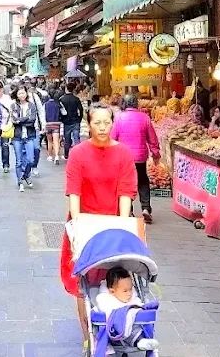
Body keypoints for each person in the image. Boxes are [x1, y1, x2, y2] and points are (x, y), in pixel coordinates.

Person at [61, 103, 138, 351]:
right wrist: (77, 225)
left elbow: (126, 191)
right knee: (82, 284)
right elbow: (74, 191)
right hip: (84, 222)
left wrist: (123, 224)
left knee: (113, 276)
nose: (102, 127)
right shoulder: (78, 153)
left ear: (113, 123)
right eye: (97, 123)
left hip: (112, 221)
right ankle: (89, 336)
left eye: (107, 122)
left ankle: (116, 329)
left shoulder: (124, 154)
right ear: (88, 124)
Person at [112, 94, 161, 223]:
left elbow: (112, 138)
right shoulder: (144, 117)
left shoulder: (119, 118)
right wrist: (156, 154)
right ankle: (145, 208)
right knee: (143, 181)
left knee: (125, 183)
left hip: (123, 157)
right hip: (140, 157)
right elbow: (152, 139)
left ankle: (129, 210)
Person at [10, 86, 41, 192]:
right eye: (19, 94)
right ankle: (20, 181)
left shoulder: (31, 105)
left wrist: (20, 120)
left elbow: (32, 120)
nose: (21, 95)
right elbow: (14, 120)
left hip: (29, 135)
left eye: (23, 93)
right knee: (18, 161)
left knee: (31, 160)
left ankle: (25, 175)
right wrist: (25, 118)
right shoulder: (13, 105)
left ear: (26, 94)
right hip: (17, 137)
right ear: (16, 95)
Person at [59, 84, 85, 158]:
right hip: (76, 120)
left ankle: (66, 154)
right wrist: (79, 118)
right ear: (73, 89)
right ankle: (78, 154)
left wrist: (61, 119)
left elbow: (60, 110)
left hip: (66, 122)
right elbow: (81, 109)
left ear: (66, 89)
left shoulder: (62, 99)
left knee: (67, 139)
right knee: (76, 138)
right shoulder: (76, 99)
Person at [44, 85, 64, 164]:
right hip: (56, 123)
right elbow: (64, 113)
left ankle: (49, 156)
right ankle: (56, 156)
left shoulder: (45, 104)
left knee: (49, 141)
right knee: (56, 141)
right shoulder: (58, 104)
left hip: (48, 124)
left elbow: (43, 114)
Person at [0, 83, 14, 174]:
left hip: (5, 126)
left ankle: (6, 165)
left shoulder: (7, 99)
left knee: (5, 146)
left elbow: (11, 111)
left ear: (1, 89)